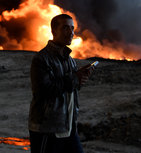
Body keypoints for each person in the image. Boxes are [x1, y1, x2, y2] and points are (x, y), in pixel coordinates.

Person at [28, 14, 95, 153]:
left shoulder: (69, 59)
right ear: (54, 31)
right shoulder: (41, 59)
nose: (71, 32)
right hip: (48, 130)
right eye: (65, 28)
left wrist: (80, 77)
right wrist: (74, 78)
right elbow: (43, 90)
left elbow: (70, 89)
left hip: (69, 129)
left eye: (72, 28)